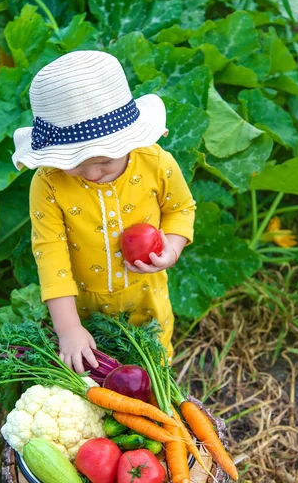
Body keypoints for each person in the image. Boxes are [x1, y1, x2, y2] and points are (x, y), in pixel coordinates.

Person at [12, 50, 196, 374]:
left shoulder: (155, 162)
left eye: (104, 162)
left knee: (154, 365)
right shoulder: (48, 184)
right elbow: (49, 251)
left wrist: (173, 247)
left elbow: (181, 208)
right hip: (83, 305)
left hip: (145, 296)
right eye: (76, 165)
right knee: (95, 371)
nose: (93, 174)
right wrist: (68, 328)